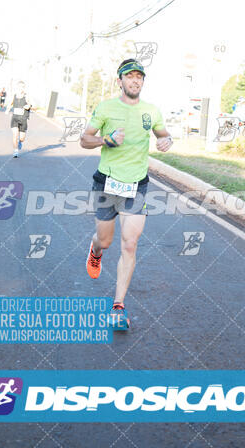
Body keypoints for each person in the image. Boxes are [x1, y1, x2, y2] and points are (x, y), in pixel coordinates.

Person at [80, 59, 173, 330]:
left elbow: (164, 135)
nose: (135, 81)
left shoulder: (151, 111)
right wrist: (106, 140)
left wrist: (166, 140)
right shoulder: (106, 107)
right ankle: (95, 249)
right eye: (129, 77)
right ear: (119, 80)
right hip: (107, 182)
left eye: (139, 77)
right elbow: (84, 139)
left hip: (137, 185)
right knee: (106, 241)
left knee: (130, 244)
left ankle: (118, 306)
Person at [5, 81, 32, 158]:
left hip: (23, 119)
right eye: (20, 86)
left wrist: (29, 106)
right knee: (15, 135)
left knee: (22, 138)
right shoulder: (14, 96)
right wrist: (7, 109)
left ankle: (20, 142)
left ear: (24, 88)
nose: (21, 88)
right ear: (17, 87)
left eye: (23, 87)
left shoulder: (26, 96)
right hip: (15, 118)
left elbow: (32, 105)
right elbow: (10, 104)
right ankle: (15, 151)